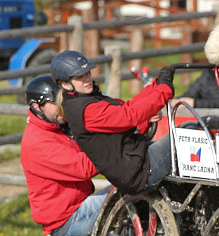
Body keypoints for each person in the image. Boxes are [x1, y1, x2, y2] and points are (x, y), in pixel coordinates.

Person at [53, 50, 175, 195]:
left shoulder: (86, 100)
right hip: (137, 171)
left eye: (87, 73)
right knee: (187, 134)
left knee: (187, 136)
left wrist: (155, 87)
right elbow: (129, 115)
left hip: (136, 159)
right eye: (80, 76)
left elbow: (125, 108)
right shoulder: (86, 109)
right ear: (66, 84)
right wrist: (163, 91)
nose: (87, 79)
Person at [20, 76, 111, 236]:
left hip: (79, 206)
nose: (63, 106)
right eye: (56, 102)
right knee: (132, 190)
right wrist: (115, 145)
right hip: (70, 219)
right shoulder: (38, 142)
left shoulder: (59, 126)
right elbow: (85, 167)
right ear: (36, 106)